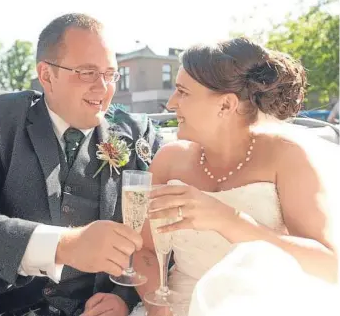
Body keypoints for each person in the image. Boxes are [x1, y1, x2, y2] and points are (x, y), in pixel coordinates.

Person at [0, 13, 160, 316]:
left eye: (111, 73)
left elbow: (160, 231)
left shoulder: (137, 132)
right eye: (87, 72)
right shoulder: (2, 116)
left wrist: (125, 296)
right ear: (46, 75)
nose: (103, 87)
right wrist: (64, 245)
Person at [130, 37, 339, 315]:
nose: (171, 103)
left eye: (183, 92)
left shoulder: (286, 157)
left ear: (226, 105)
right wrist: (158, 307)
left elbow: (329, 266)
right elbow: (143, 251)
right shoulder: (168, 160)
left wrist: (228, 220)